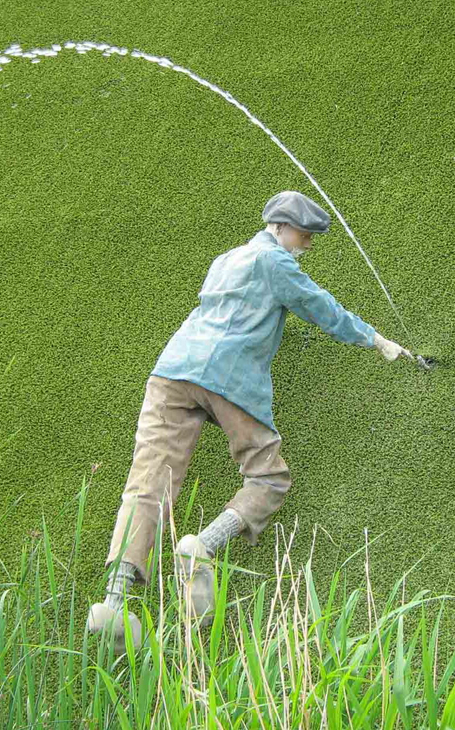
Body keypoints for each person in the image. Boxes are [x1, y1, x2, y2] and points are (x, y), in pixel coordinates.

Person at [86, 190, 414, 653]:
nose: (308, 244)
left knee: (148, 481)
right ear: (281, 227)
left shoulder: (226, 258)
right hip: (229, 376)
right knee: (269, 478)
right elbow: (321, 308)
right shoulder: (274, 262)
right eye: (304, 234)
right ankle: (203, 546)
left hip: (172, 371)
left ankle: (113, 604)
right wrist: (376, 340)